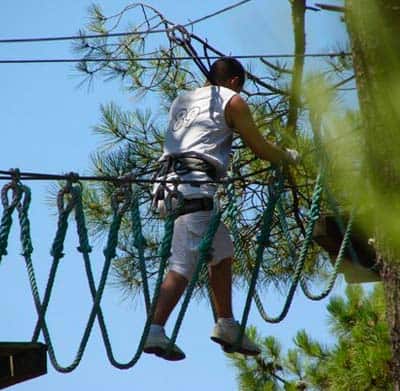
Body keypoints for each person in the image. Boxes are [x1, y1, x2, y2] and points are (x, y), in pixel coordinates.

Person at [143, 57, 299, 361]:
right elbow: (259, 147)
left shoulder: (182, 100)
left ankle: (214, 324)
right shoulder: (233, 100)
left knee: (209, 254)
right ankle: (170, 329)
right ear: (235, 82)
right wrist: (286, 156)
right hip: (194, 188)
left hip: (168, 187)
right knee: (198, 260)